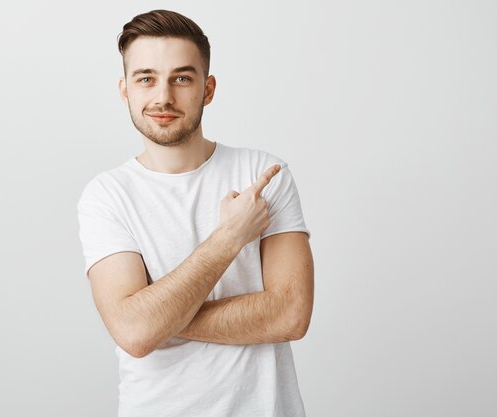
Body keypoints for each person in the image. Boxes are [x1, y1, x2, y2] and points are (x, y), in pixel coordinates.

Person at [76, 9, 314, 417]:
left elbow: (291, 315)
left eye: (182, 78)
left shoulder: (263, 175)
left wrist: (156, 316)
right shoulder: (106, 196)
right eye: (146, 78)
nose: (163, 96)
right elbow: (133, 333)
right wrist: (230, 238)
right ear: (125, 90)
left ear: (208, 88)